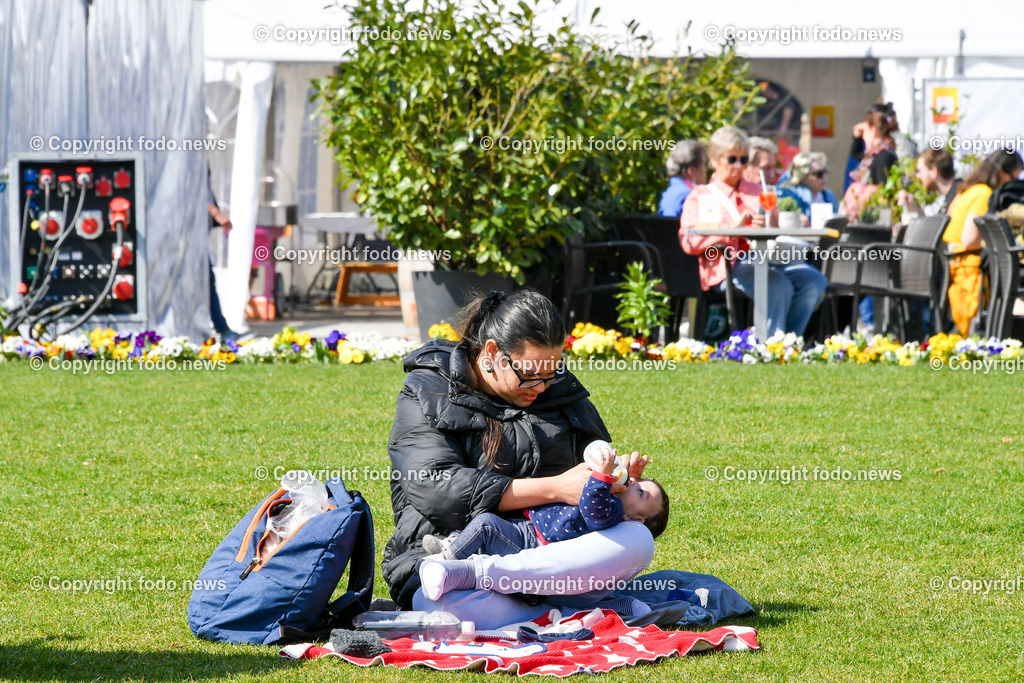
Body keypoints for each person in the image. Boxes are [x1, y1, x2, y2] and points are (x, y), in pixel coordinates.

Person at [382, 290, 656, 628]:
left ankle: (544, 612)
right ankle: (569, 613)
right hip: (452, 558)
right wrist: (556, 488)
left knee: (638, 540)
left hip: (548, 556)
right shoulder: (428, 391)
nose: (540, 387)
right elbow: (437, 489)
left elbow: (587, 483)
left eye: (550, 373)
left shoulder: (557, 389)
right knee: (441, 600)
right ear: (492, 353)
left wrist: (615, 482)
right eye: (529, 374)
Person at [418, 442, 669, 600]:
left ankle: (446, 559)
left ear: (634, 519)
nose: (634, 482)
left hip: (532, 543)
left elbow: (592, 506)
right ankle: (454, 547)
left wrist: (603, 476)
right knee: (486, 525)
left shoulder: (611, 512)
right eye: (639, 482)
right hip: (526, 527)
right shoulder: (614, 498)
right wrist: (624, 477)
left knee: (486, 525)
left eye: (641, 492)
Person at [679, 126, 828, 337]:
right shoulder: (702, 195)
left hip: (769, 259)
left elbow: (775, 232)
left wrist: (769, 223)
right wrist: (731, 230)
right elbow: (689, 241)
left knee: (814, 281)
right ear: (713, 160)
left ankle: (789, 341)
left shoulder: (759, 191)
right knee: (777, 285)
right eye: (732, 159)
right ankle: (771, 345)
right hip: (728, 265)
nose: (739, 166)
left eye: (744, 159)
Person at [944, 149, 1024, 335]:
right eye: (1013, 177)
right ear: (1001, 172)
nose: (1013, 184)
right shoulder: (984, 194)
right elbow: (969, 240)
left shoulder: (969, 190)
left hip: (955, 267)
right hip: (970, 271)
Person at [842, 102, 899, 219]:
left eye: (865, 132)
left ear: (873, 131)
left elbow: (883, 192)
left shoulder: (884, 157)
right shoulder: (878, 155)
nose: (863, 137)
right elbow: (856, 154)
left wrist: (860, 192)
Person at [897, 147, 960, 219]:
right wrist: (912, 207)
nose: (918, 176)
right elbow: (933, 222)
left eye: (919, 171)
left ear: (934, 172)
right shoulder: (947, 197)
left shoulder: (959, 197)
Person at [778, 152, 839, 220]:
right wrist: (797, 218)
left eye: (825, 171)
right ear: (803, 176)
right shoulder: (791, 194)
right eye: (819, 174)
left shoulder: (829, 195)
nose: (824, 177)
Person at [658, 140, 707, 217]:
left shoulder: (671, 191)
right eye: (703, 165)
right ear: (691, 170)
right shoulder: (688, 195)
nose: (706, 169)